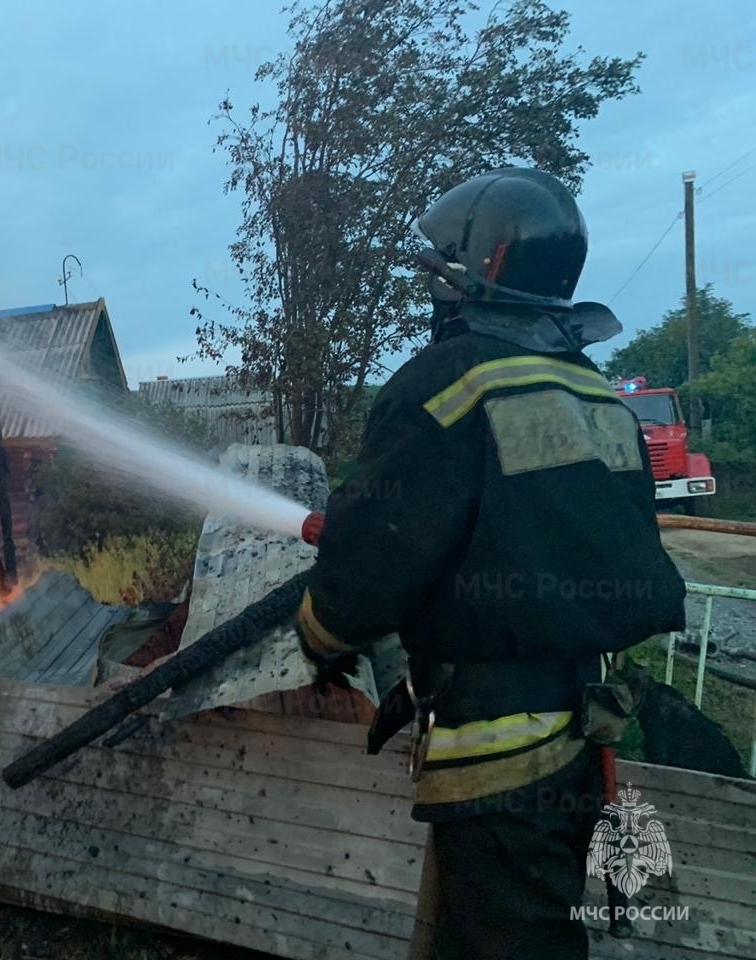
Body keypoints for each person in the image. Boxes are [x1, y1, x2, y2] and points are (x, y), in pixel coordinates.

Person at [292, 167, 686, 959]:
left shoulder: (446, 385)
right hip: (584, 734)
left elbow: (371, 572)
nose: (436, 299)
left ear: (488, 270)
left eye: (441, 280)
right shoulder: (594, 392)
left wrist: (318, 633)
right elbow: (525, 529)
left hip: (498, 759)